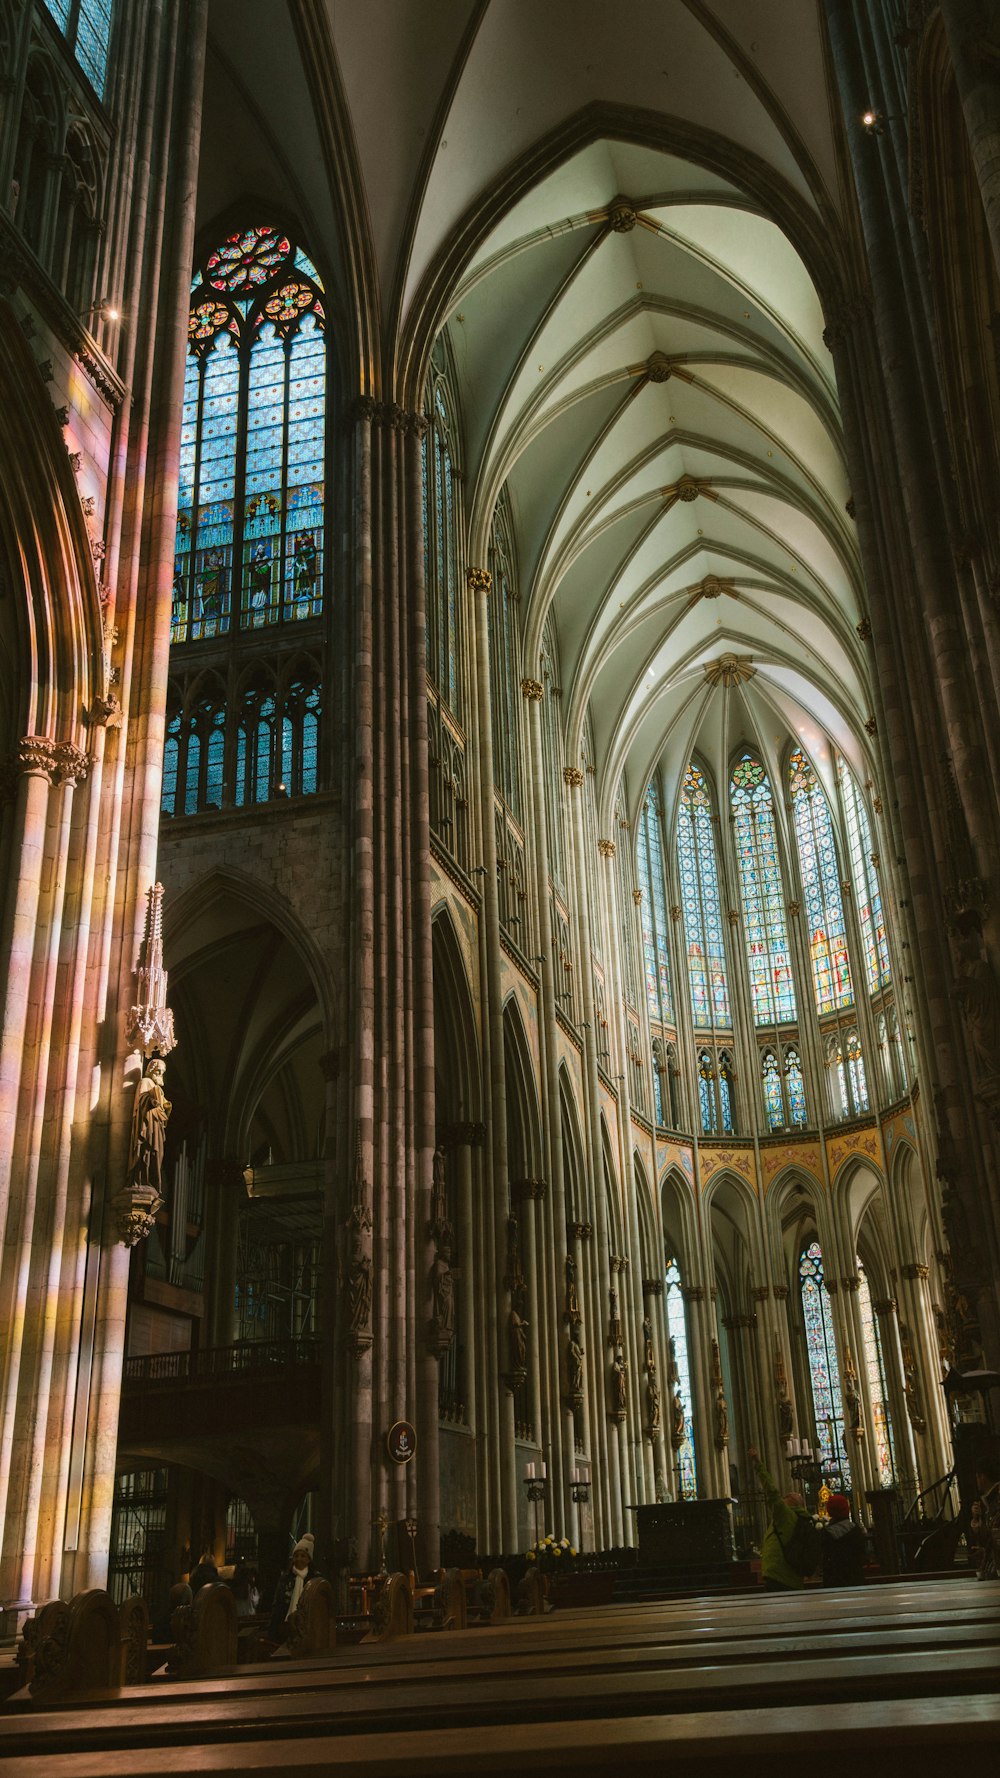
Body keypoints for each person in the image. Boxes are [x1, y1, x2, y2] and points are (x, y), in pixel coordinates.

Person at [748, 1444, 816, 1591]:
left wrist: (757, 1462)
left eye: (786, 1496)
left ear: (791, 1502)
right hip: (791, 1576)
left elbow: (771, 1490)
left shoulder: (786, 1514)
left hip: (779, 1575)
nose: (783, 1499)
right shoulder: (800, 1518)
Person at [267, 1532, 320, 1645]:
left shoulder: (314, 1580)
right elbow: (278, 1604)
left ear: (309, 1559)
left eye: (303, 1556)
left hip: (308, 1628)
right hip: (285, 1628)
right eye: (296, 1556)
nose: (299, 1559)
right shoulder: (286, 1578)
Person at [820, 1493, 867, 1587]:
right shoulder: (857, 1530)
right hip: (856, 1579)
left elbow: (824, 1559)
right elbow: (863, 1555)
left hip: (833, 1582)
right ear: (847, 1509)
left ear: (829, 1511)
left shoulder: (827, 1533)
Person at [969, 1444, 1000, 1580]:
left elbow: (996, 1537)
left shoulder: (997, 1501)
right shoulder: (989, 1501)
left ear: (982, 1477)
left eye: (977, 1477)